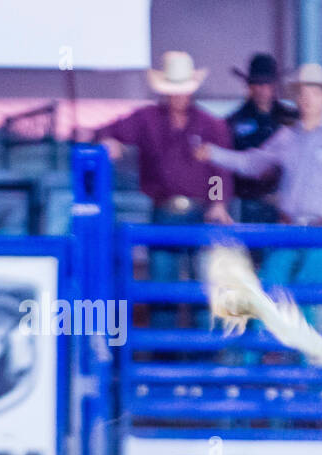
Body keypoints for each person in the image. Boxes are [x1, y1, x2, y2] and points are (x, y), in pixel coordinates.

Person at [199, 64, 322, 334]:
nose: (307, 98)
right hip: (288, 231)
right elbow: (252, 162)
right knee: (269, 297)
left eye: (314, 92)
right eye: (302, 92)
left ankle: (315, 374)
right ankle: (270, 370)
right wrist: (212, 153)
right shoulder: (286, 137)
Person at [97, 51, 233, 328]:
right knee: (162, 287)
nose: (178, 96)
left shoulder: (210, 125)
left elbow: (217, 169)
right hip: (163, 212)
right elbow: (107, 130)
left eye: (182, 90)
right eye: (174, 90)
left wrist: (217, 203)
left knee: (203, 290)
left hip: (200, 214)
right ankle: (165, 358)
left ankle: (202, 360)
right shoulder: (147, 119)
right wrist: (108, 141)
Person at [225, 53, 297, 224]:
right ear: (249, 86)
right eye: (256, 83)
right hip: (246, 203)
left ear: (274, 85)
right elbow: (228, 165)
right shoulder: (233, 121)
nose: (261, 89)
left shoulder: (292, 118)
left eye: (266, 83)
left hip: (286, 206)